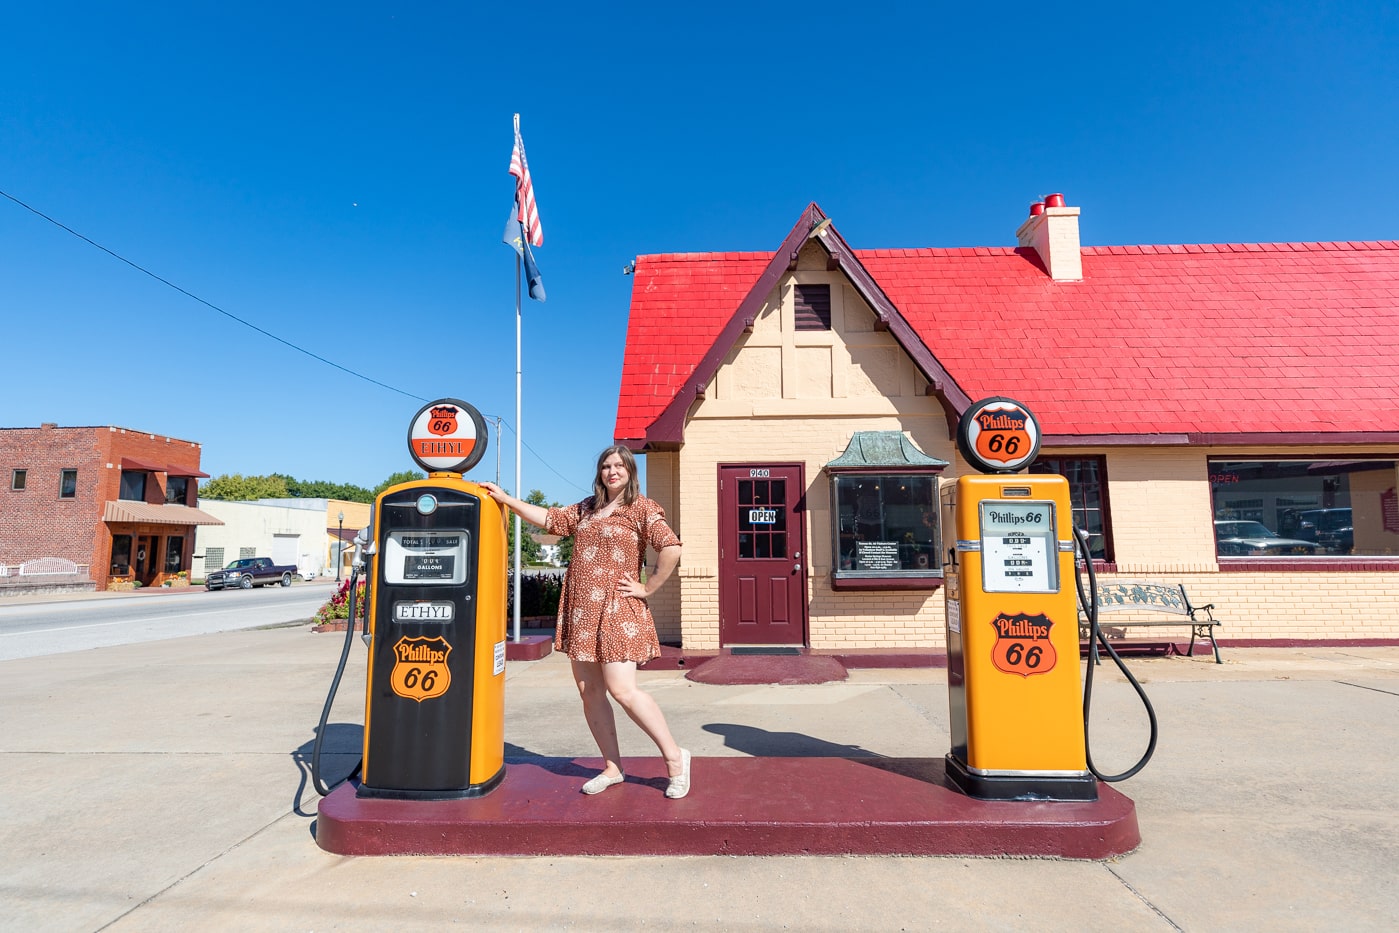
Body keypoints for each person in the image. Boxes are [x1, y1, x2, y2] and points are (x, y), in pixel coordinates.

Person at [480, 445, 691, 799]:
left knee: (623, 690)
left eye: (619, 466)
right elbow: (548, 519)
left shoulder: (641, 508)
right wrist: (506, 499)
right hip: (582, 611)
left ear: (630, 472)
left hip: (617, 609)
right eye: (606, 466)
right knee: (589, 691)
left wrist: (648, 587)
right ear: (600, 472)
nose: (612, 471)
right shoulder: (586, 508)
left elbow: (671, 547)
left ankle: (676, 759)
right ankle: (612, 767)